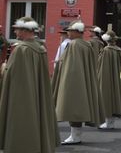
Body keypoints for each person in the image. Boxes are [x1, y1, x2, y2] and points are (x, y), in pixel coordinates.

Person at [0, 17, 60, 153]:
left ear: (24, 30)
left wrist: (4, 68)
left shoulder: (21, 50)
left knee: (22, 117)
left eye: (17, 29)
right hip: (36, 91)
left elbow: (13, 75)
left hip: (21, 94)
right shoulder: (40, 48)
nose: (15, 32)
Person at [52, 20, 104, 145]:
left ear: (76, 32)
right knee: (78, 107)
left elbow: (71, 65)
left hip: (74, 80)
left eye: (70, 31)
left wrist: (60, 65)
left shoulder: (74, 45)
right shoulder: (86, 45)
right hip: (83, 79)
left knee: (73, 107)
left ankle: (75, 136)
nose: (68, 33)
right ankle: (75, 135)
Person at [97, 30, 121, 129]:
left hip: (106, 76)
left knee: (106, 96)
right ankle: (111, 122)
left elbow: (102, 65)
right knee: (114, 95)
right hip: (116, 75)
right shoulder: (118, 50)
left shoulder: (106, 50)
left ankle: (107, 122)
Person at [51, 27, 70, 98]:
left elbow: (61, 56)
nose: (61, 36)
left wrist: (57, 63)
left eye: (62, 34)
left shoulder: (64, 44)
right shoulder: (69, 43)